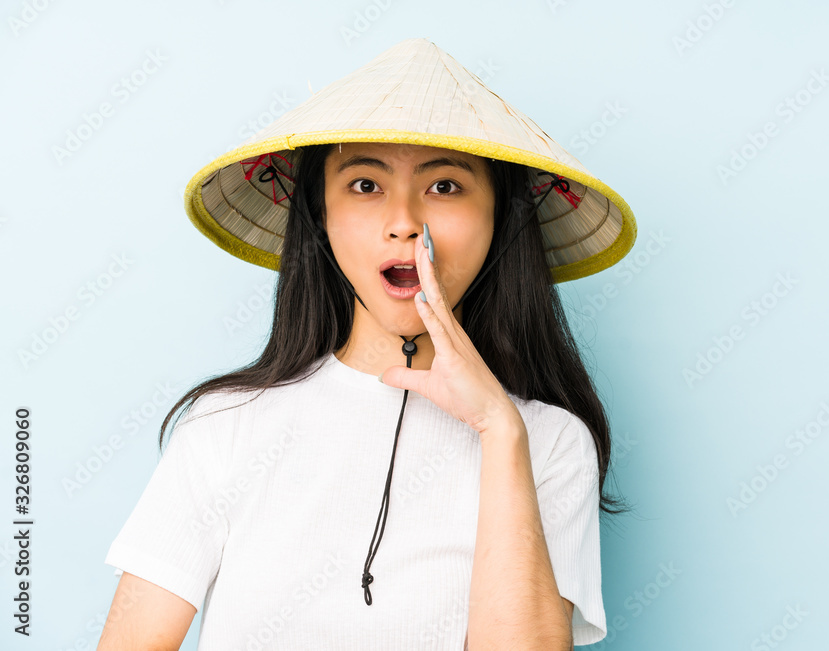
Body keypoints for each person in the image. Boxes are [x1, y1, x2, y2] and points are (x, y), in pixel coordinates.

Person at [97, 37, 637, 650]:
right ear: (320, 216)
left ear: (498, 220)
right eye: (364, 185)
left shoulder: (548, 444)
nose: (405, 220)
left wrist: (498, 429)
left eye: (445, 187)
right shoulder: (225, 426)